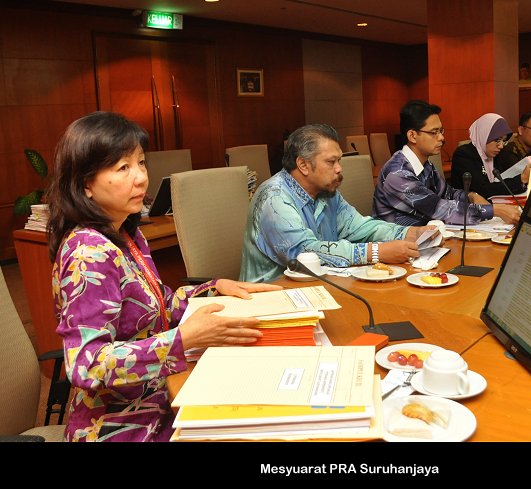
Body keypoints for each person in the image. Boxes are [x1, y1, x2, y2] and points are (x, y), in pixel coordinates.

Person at [47, 111, 281, 441]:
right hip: (119, 424)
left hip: (157, 396)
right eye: (123, 168)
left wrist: (215, 288)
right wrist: (183, 340)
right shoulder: (89, 253)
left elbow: (159, 304)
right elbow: (86, 364)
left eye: (141, 163)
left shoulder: (126, 234)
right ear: (86, 184)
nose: (141, 178)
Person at [240, 123, 434, 283]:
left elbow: (359, 227)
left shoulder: (326, 192)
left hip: (321, 285)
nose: (339, 168)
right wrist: (375, 252)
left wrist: (409, 233)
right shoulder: (274, 198)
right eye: (331, 162)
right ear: (303, 165)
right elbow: (305, 253)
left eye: (339, 160)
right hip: (272, 295)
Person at [373, 100, 520, 227]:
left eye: (441, 131)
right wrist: (495, 210)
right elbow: (441, 209)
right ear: (412, 135)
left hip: (425, 236)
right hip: (398, 244)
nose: (441, 138)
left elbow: (447, 193)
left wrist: (471, 196)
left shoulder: (426, 165)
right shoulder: (398, 174)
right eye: (434, 132)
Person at [451, 113, 531, 198]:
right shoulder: (464, 155)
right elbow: (481, 190)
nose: (501, 146)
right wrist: (521, 179)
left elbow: (506, 181)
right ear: (484, 135)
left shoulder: (499, 155)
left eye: (504, 141)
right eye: (497, 140)